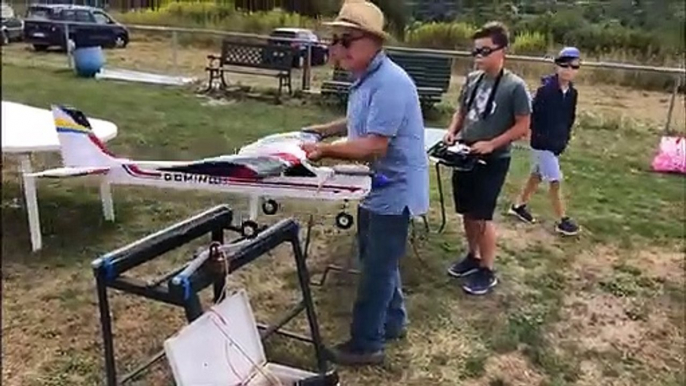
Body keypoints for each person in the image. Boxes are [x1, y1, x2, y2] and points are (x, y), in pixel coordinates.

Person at [299, 0, 429, 366]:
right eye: (335, 40)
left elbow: (374, 144)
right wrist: (326, 130)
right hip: (376, 188)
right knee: (376, 258)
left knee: (376, 269)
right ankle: (393, 321)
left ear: (373, 41)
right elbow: (360, 121)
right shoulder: (369, 78)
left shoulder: (390, 83)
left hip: (394, 189)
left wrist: (324, 150)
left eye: (346, 40)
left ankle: (366, 344)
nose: (336, 48)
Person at [443, 21, 531, 296]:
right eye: (475, 52)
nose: (478, 57)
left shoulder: (515, 86)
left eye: (484, 51)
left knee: (482, 215)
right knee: (467, 212)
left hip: (493, 159)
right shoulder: (472, 79)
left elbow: (522, 126)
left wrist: (492, 144)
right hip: (465, 154)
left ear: (502, 50)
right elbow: (462, 110)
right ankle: (473, 256)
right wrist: (453, 130)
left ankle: (487, 269)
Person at [509, 47, 581, 236]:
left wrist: (564, 137)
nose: (568, 70)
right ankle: (562, 220)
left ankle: (518, 206)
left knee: (537, 175)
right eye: (564, 65)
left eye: (574, 66)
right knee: (555, 180)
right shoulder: (545, 91)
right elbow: (532, 115)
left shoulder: (572, 93)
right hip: (542, 143)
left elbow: (569, 118)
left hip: (556, 143)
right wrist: (531, 134)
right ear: (557, 66)